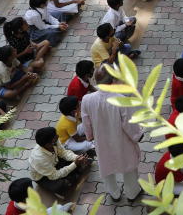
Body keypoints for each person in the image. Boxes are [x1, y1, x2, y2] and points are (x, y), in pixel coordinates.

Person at [81, 67, 145, 201]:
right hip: (122, 141)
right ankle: (132, 193)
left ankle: (114, 193)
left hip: (101, 141)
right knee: (129, 168)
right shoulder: (121, 100)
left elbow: (86, 123)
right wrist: (138, 135)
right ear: (113, 80)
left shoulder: (87, 99)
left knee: (106, 167)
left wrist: (90, 136)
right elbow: (129, 124)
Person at [28, 126, 92, 199]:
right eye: (55, 137)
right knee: (61, 186)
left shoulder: (54, 141)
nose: (58, 137)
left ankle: (73, 175)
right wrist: (75, 164)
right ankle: (65, 185)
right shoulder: (39, 159)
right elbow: (54, 175)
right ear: (48, 144)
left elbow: (63, 153)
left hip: (54, 163)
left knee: (73, 165)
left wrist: (76, 158)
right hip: (44, 177)